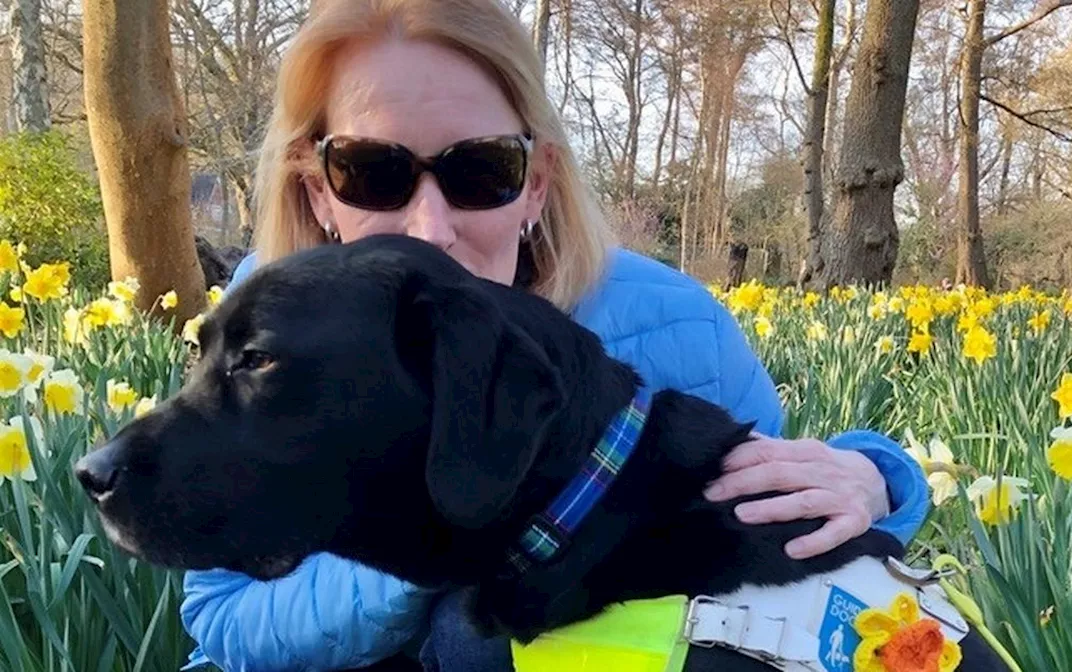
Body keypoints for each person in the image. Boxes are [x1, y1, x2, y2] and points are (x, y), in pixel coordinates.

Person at [177, 0, 929, 670]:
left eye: (479, 172)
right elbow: (224, 618)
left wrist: (877, 477)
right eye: (374, 173)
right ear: (320, 192)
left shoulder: (674, 324)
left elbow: (754, 563)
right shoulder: (262, 334)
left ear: (536, 183)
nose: (430, 228)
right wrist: (439, 533)